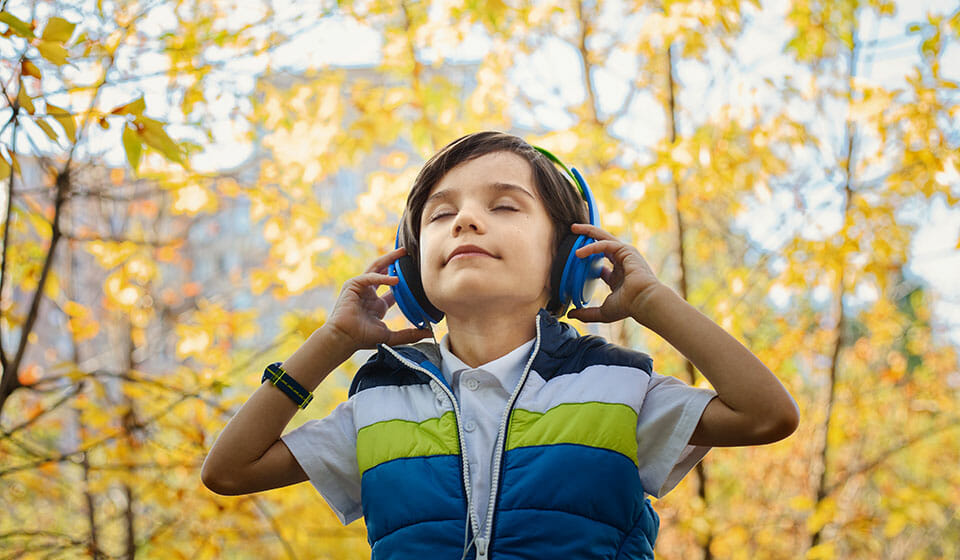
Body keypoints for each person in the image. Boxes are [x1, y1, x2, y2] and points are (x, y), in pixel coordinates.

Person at [201, 131, 800, 559]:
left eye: (504, 205)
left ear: (567, 259)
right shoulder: (379, 405)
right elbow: (228, 470)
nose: (464, 221)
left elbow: (766, 414)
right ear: (411, 275)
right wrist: (332, 343)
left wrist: (650, 301)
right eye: (440, 215)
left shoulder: (616, 390)